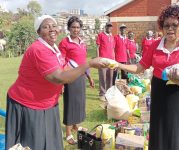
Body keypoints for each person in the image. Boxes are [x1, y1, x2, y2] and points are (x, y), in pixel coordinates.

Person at [5, 15, 105, 150]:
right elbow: (58, 77)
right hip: (29, 105)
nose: (52, 29)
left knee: (50, 143)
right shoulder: (39, 49)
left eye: (54, 26)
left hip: (48, 103)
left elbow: (63, 67)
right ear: (38, 32)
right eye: (46, 27)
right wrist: (89, 64)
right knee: (34, 144)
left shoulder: (53, 47)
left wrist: (80, 71)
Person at [110, 4, 179, 150]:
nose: (170, 29)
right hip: (160, 92)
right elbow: (139, 67)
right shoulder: (154, 46)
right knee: (160, 130)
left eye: (174, 25)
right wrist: (118, 64)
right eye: (166, 25)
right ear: (162, 27)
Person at [58, 16, 94, 145]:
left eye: (78, 27)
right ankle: (68, 133)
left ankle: (76, 126)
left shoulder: (82, 42)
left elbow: (83, 62)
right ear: (69, 28)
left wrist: (89, 76)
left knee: (79, 102)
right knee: (70, 103)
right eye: (73, 27)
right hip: (70, 77)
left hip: (81, 77)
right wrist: (62, 82)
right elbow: (61, 62)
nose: (76, 30)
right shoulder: (64, 43)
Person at [96, 22, 115, 101]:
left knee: (110, 78)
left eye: (111, 27)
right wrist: (98, 59)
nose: (109, 28)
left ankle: (108, 93)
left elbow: (113, 49)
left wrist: (114, 60)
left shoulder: (112, 36)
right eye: (108, 26)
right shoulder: (100, 35)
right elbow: (97, 47)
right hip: (103, 60)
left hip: (111, 61)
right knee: (103, 77)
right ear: (105, 27)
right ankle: (102, 94)